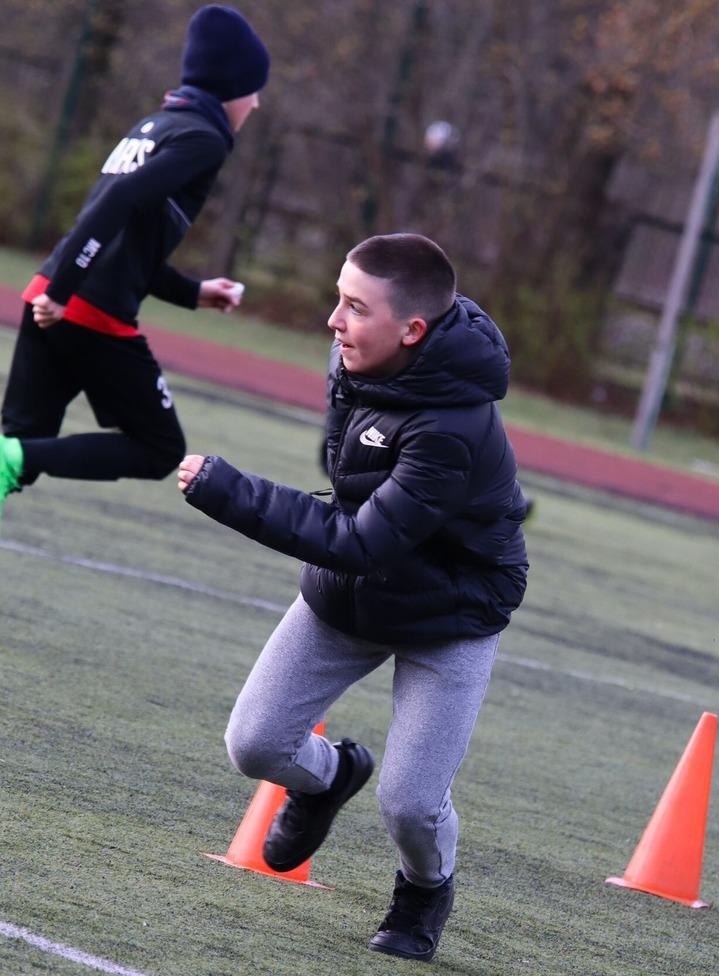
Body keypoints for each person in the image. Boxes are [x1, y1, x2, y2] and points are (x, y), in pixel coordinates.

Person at [178, 233, 529, 962]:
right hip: (357, 593)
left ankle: (423, 891)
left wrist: (228, 490)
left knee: (410, 804)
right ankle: (331, 776)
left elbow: (362, 541)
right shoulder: (355, 359)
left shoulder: (452, 429)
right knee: (254, 744)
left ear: (413, 330)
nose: (334, 321)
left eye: (356, 308)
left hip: (449, 614)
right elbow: (353, 496)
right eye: (338, 299)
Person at [0, 5, 270, 524]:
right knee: (159, 447)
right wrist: (65, 290)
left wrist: (192, 292)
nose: (256, 103)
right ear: (231, 87)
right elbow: (118, 202)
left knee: (19, 456)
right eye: (253, 90)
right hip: (84, 308)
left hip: (50, 294)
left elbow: (125, 239)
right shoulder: (203, 138)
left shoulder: (155, 125)